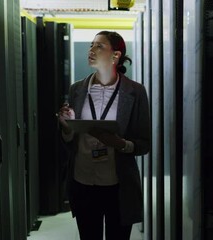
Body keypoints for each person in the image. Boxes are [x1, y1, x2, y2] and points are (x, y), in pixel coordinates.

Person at [57, 31, 151, 240]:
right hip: (82, 181)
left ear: (116, 55)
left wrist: (121, 144)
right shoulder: (76, 89)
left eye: (99, 46)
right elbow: (69, 140)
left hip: (118, 185)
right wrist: (66, 127)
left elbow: (144, 144)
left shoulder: (135, 92)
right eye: (91, 45)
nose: (91, 50)